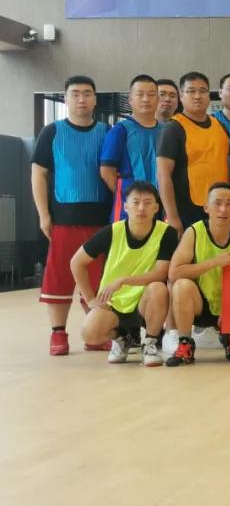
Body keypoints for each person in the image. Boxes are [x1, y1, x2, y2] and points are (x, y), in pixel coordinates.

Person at [32, 75, 112, 355]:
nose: (81, 99)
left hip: (101, 219)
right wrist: (43, 214)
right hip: (63, 218)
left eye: (87, 93)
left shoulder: (107, 131)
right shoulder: (52, 132)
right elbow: (38, 174)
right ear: (65, 98)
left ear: (95, 99)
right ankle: (58, 333)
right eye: (75, 94)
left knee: (99, 278)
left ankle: (95, 332)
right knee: (59, 276)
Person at [71, 181, 177, 366]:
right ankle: (123, 338)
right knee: (89, 334)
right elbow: (76, 262)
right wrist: (90, 299)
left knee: (159, 288)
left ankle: (150, 343)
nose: (141, 208)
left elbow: (160, 274)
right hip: (114, 301)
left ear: (156, 208)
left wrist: (123, 280)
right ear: (126, 206)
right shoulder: (112, 231)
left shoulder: (166, 233)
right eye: (136, 202)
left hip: (146, 301)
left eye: (147, 202)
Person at [166, 182, 230, 366]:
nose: (223, 209)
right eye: (218, 203)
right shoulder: (194, 232)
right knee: (181, 285)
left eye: (229, 204)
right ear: (206, 207)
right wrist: (214, 262)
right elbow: (174, 273)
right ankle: (185, 344)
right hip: (201, 304)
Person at [156, 71, 230, 231]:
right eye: (191, 91)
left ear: (209, 96)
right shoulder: (173, 128)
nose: (197, 96)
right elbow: (163, 175)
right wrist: (173, 217)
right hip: (187, 212)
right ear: (181, 96)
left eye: (202, 91)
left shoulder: (220, 127)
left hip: (221, 208)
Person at [100, 74, 162, 221]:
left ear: (158, 99)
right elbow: (106, 170)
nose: (146, 99)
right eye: (140, 94)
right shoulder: (120, 130)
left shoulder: (166, 130)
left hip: (159, 206)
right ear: (130, 99)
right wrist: (126, 194)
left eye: (151, 94)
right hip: (127, 208)